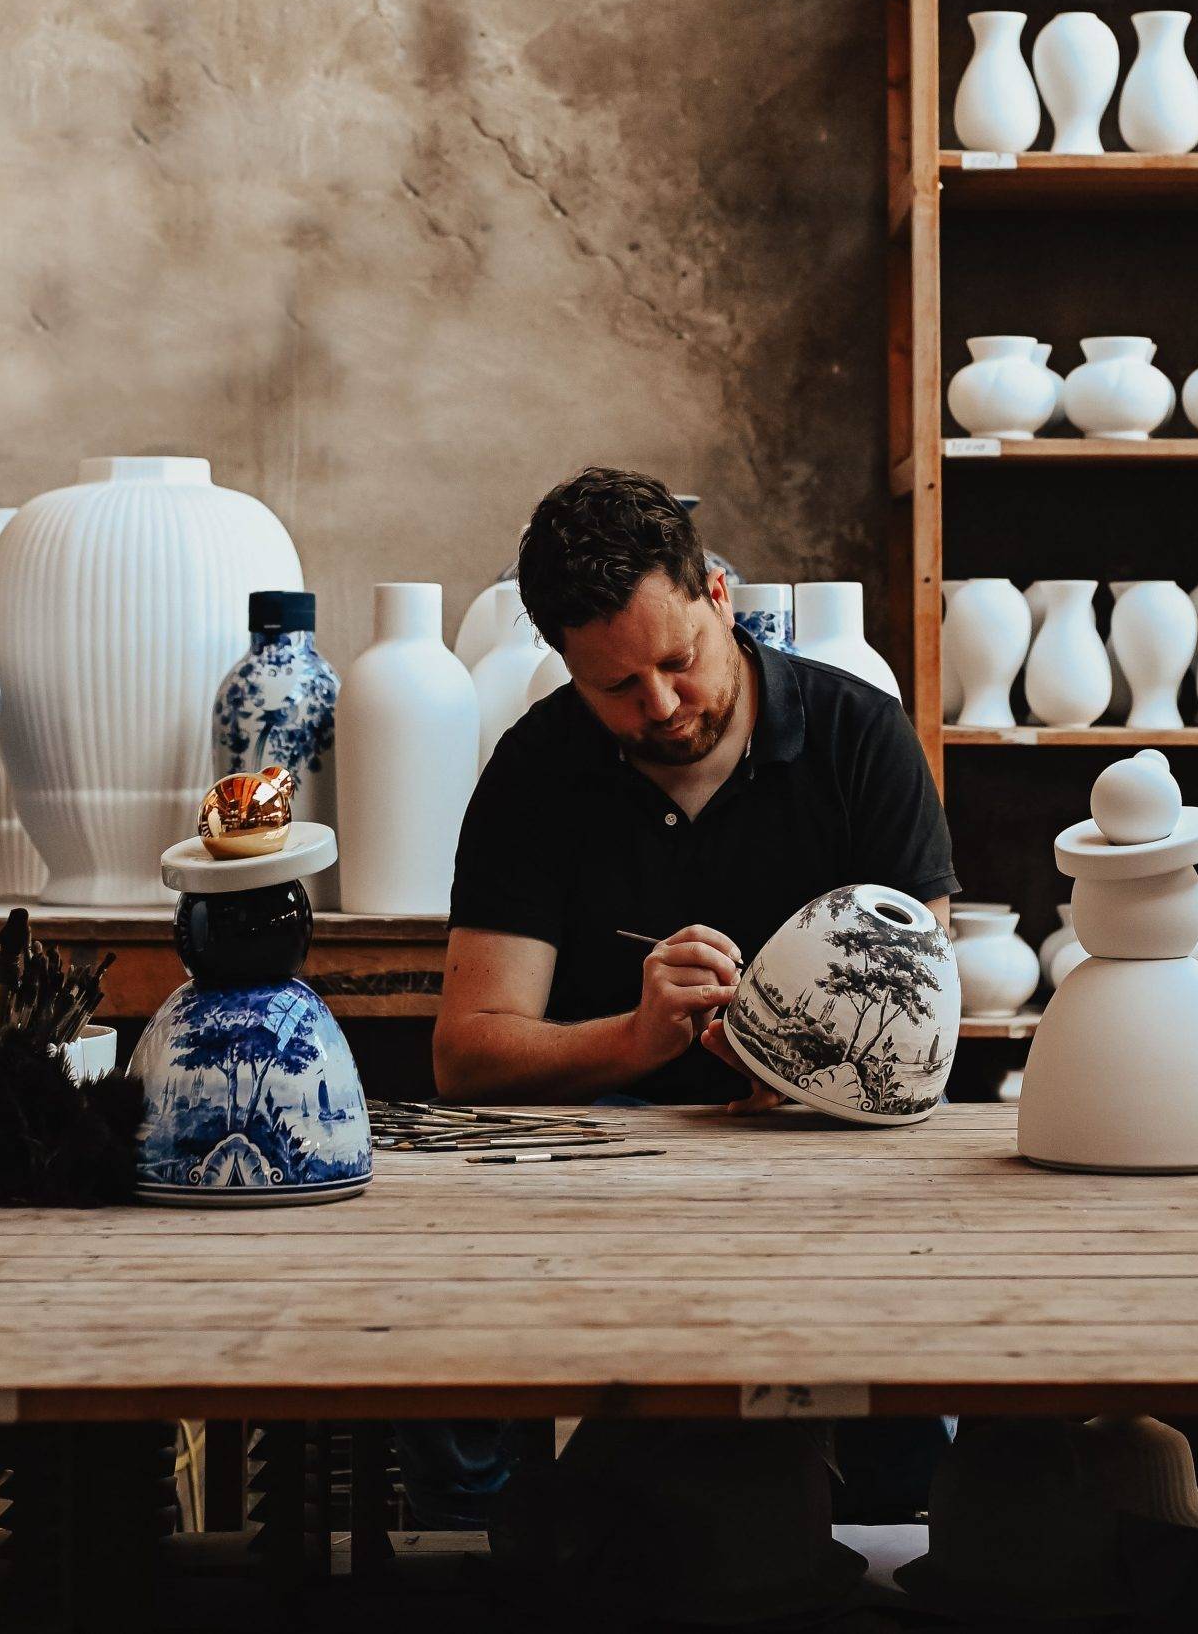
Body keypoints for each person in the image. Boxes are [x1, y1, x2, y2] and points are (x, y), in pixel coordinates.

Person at [399, 467, 959, 1528]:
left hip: (830, 1162)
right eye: (615, 687)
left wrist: (805, 1073)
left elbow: (922, 1021)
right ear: (564, 666)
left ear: (717, 600)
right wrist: (638, 1037)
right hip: (610, 1168)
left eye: (678, 662)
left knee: (909, 1478)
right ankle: (533, 1540)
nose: (659, 707)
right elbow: (466, 1055)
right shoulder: (536, 769)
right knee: (448, 1434)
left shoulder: (859, 739)